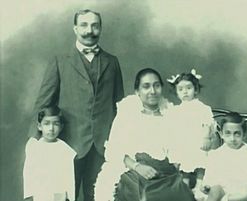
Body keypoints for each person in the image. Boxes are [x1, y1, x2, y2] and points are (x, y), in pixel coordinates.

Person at [28, 9, 124, 201]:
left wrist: (121, 141)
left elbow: (119, 105)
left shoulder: (112, 62)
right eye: (84, 25)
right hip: (67, 143)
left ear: (100, 28)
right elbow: (44, 101)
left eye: (95, 25)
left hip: (103, 145)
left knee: (100, 195)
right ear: (75, 28)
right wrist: (34, 139)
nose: (90, 30)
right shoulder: (60, 61)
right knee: (61, 196)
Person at [95, 68, 195, 201]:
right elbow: (114, 150)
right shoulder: (127, 115)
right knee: (141, 194)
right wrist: (138, 167)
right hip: (134, 170)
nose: (152, 91)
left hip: (166, 172)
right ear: (137, 91)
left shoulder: (172, 115)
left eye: (156, 86)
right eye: (146, 87)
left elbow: (181, 147)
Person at [167, 69, 219, 189]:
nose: (185, 92)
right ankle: (185, 185)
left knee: (201, 160)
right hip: (184, 142)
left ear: (196, 90)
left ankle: (199, 184)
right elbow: (173, 128)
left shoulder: (202, 108)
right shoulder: (176, 110)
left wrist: (206, 137)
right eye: (180, 89)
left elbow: (207, 124)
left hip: (199, 141)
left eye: (188, 88)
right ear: (176, 92)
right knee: (184, 161)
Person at [202, 112, 247, 201]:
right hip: (223, 192)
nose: (232, 139)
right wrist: (205, 187)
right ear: (221, 134)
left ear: (244, 135)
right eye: (228, 133)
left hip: (242, 197)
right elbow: (208, 180)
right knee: (215, 190)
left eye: (237, 134)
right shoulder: (215, 155)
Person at [23, 106, 76, 201]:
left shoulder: (65, 149)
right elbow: (28, 173)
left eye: (55, 124)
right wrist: (29, 195)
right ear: (39, 126)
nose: (51, 128)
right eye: (46, 124)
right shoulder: (34, 148)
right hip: (40, 192)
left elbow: (69, 176)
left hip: (58, 193)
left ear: (61, 127)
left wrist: (69, 197)